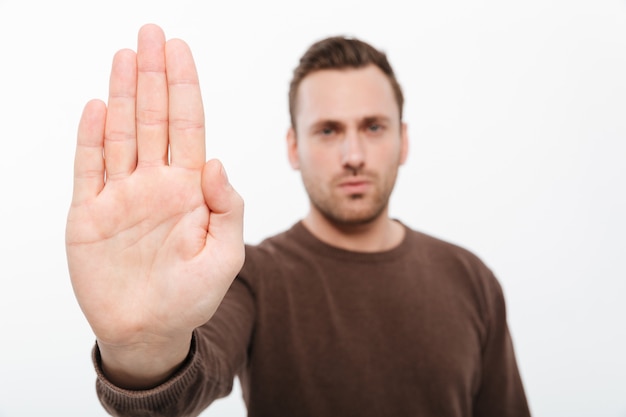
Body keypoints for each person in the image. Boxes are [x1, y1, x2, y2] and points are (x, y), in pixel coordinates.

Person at [66, 24, 531, 417]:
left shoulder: (471, 279)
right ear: (293, 147)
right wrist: (142, 349)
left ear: (403, 140)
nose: (353, 156)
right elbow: (189, 383)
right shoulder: (255, 275)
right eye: (328, 130)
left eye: (373, 127)